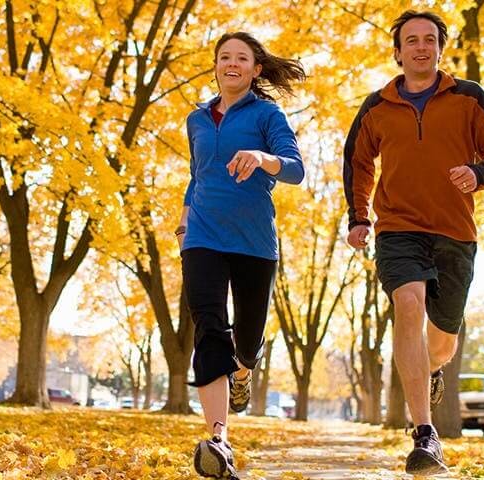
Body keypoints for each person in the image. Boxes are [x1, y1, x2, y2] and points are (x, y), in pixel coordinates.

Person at [342, 10, 484, 476]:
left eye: (429, 40)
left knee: (441, 342)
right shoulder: (377, 106)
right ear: (398, 52)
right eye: (411, 40)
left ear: (440, 48)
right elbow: (357, 161)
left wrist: (478, 174)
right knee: (408, 305)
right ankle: (424, 434)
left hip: (455, 231)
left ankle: (432, 372)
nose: (420, 47)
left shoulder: (467, 97)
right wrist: (360, 216)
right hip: (398, 228)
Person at [177, 32, 306, 479]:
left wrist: (260, 156)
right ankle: (219, 440)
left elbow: (295, 169)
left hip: (253, 241)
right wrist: (184, 220)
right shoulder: (196, 118)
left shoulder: (268, 114)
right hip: (203, 237)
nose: (232, 64)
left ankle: (245, 371)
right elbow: (198, 175)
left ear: (255, 68)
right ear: (216, 65)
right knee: (210, 327)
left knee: (245, 341)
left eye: (242, 58)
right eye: (224, 57)